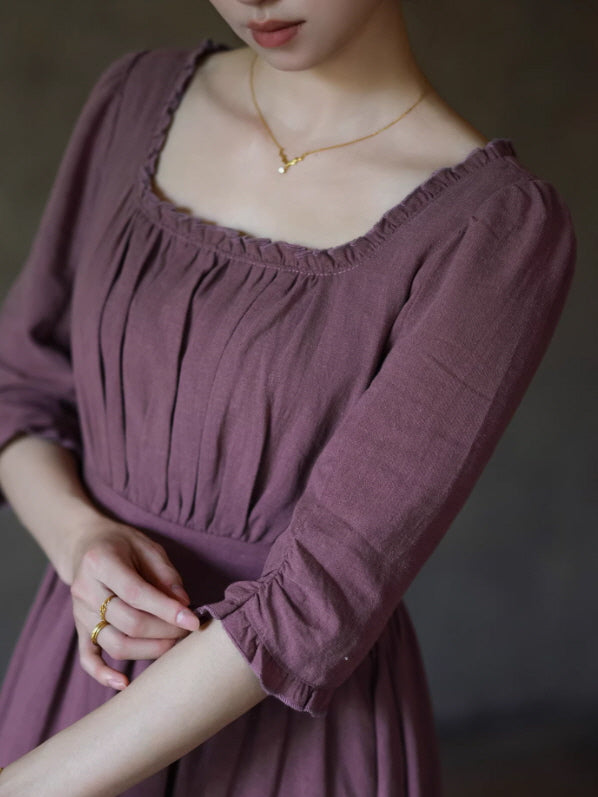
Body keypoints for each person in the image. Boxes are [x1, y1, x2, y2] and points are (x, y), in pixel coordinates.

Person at [0, 0, 576, 794]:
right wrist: (80, 537)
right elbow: (21, 382)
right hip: (82, 677)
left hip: (285, 732)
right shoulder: (134, 98)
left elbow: (322, 593)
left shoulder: (494, 228)